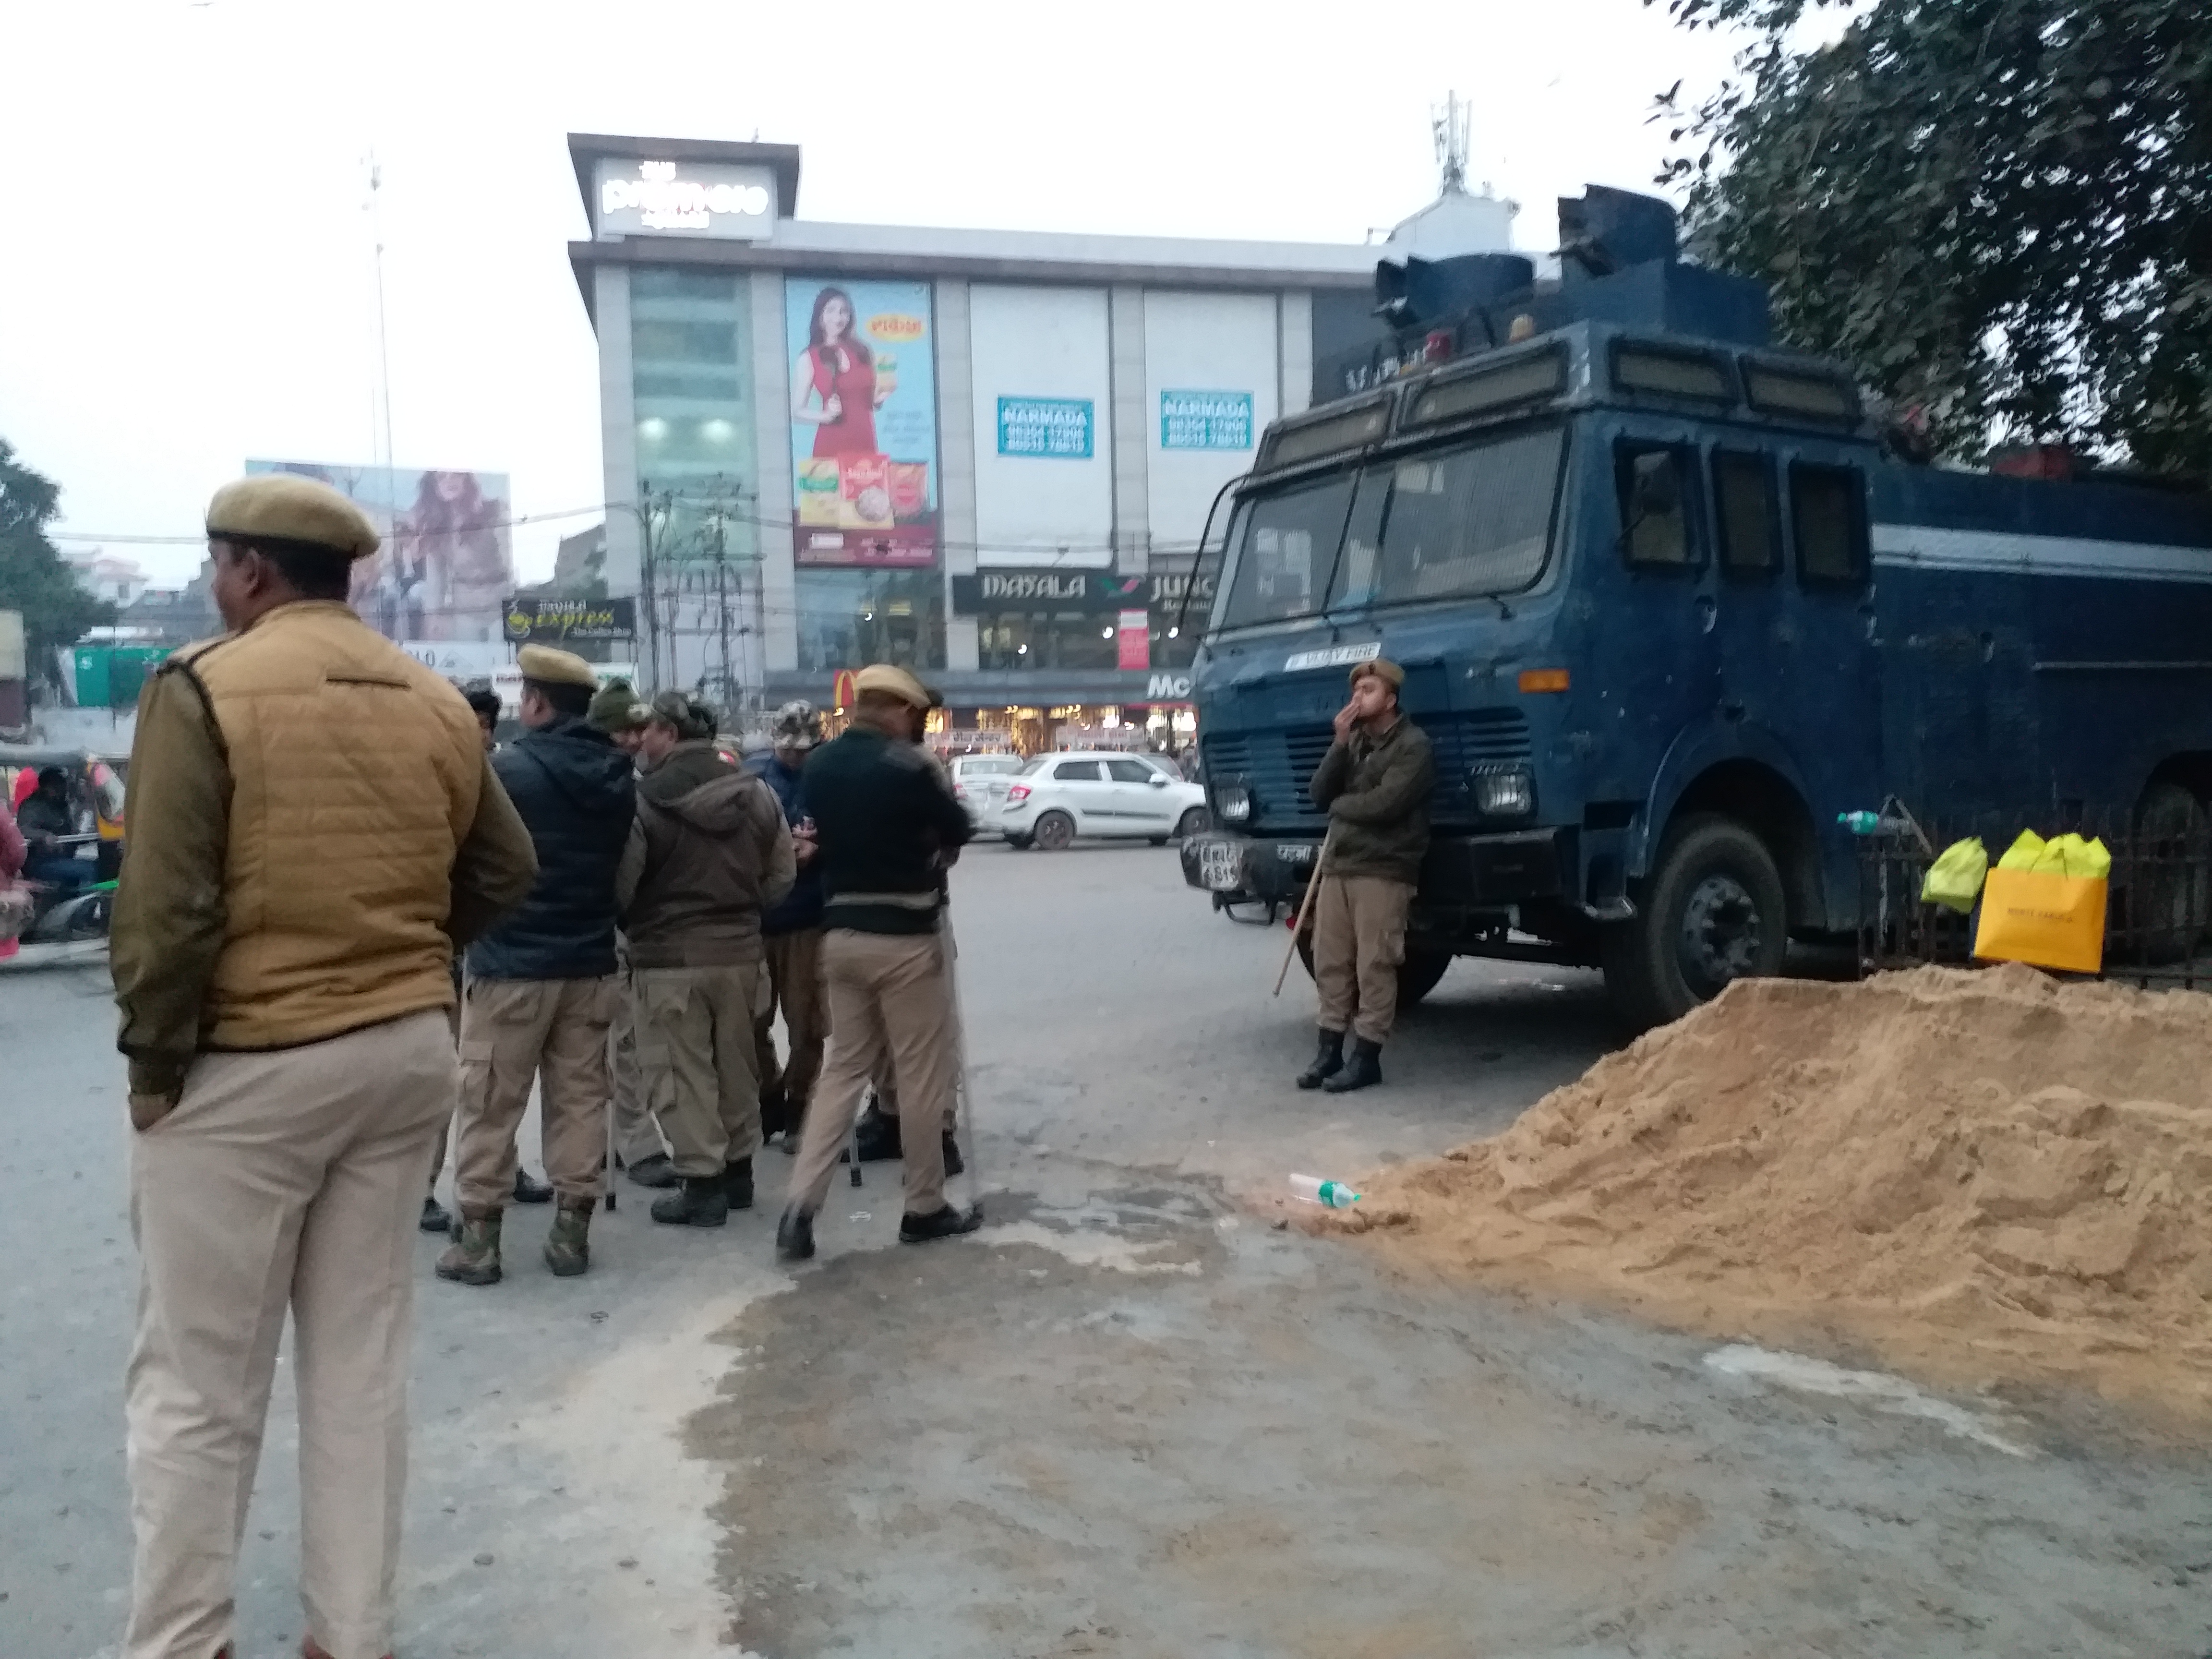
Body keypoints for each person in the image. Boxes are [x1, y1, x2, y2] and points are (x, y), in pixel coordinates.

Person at [110, 472, 536, 1659]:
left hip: (251, 1062)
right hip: (404, 1052)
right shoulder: (435, 702)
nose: (214, 584)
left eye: (217, 565)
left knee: (199, 1384)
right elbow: (505, 867)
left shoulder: (201, 684)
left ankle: (182, 1641)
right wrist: (406, 950)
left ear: (249, 570)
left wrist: (155, 1064)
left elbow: (166, 911)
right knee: (359, 1362)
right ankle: (352, 1635)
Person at [433, 647, 636, 1286]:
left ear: (540, 705)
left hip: (512, 964)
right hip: (591, 963)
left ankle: (479, 1243)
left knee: (490, 1102)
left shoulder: (507, 773)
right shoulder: (617, 776)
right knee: (581, 1100)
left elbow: (466, 862)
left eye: (525, 699)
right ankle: (571, 1236)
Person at [779, 664, 979, 1261]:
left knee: (842, 1073)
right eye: (915, 716)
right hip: (907, 940)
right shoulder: (909, 766)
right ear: (896, 709)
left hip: (840, 936)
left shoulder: (819, 764)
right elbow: (959, 826)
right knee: (919, 1073)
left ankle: (799, 1209)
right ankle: (924, 1206)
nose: (917, 726)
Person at [619, 692, 793, 1226]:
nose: (640, 740)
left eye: (648, 730)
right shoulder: (757, 793)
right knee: (737, 1063)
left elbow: (623, 888)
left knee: (681, 1072)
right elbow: (783, 873)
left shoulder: (644, 801)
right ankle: (739, 1172)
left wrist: (641, 927)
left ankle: (702, 1184)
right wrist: (742, 914)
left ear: (670, 734)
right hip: (743, 956)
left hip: (669, 959)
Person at [422, 685, 551, 1233]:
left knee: (493, 1080)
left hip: (488, 952)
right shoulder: (433, 781)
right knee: (440, 1084)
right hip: (444, 955)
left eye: (484, 723)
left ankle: (504, 1168)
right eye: (468, 722)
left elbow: (512, 864)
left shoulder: (502, 781)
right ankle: (422, 1188)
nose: (478, 733)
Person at [1298, 658, 1435, 1094]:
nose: (1359, 698)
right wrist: (1339, 743)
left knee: (1374, 963)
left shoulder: (1414, 746)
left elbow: (1386, 805)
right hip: (1340, 864)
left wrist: (1340, 808)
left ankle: (1367, 1057)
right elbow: (1319, 793)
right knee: (1330, 960)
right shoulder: (1353, 742)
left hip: (1384, 867)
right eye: (1356, 691)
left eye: (1369, 690)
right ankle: (1329, 1051)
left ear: (1391, 699)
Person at [588, 680, 678, 1189]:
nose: (634, 739)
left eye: (641, 729)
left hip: (609, 926)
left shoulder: (627, 779)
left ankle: (623, 1141)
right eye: (625, 729)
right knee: (619, 1044)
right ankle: (636, 1144)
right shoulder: (603, 781)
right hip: (593, 925)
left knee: (623, 1042)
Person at [747, 701, 829, 1149]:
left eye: (805, 749)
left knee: (808, 1024)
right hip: (759, 918)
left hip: (808, 918)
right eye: (789, 749)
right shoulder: (753, 779)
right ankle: (769, 1093)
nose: (797, 756)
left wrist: (823, 848)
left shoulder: (830, 779)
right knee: (751, 1021)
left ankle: (799, 1104)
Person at [790, 285, 884, 459]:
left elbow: (870, 400)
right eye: (831, 311)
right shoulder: (810, 358)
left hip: (865, 439)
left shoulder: (863, 352)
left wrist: (879, 401)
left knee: (867, 485)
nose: (838, 318)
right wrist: (826, 416)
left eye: (844, 312)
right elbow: (797, 411)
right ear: (820, 316)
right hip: (831, 443)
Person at [17, 765, 91, 893]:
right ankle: (85, 911)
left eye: (63, 786)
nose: (63, 790)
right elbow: (23, 830)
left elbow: (70, 833)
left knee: (101, 866)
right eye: (58, 786)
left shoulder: (61, 806)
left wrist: (89, 837)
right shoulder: (32, 807)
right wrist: (44, 836)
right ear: (46, 787)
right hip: (40, 863)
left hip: (62, 859)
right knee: (89, 870)